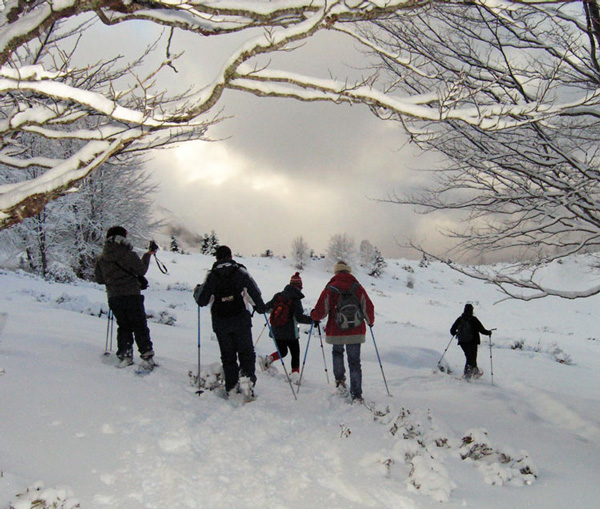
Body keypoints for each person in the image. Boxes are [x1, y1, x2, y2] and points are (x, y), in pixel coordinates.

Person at [193, 245, 266, 399]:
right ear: (231, 257)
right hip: (241, 321)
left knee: (228, 356)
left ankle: (231, 387)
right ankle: (247, 382)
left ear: (217, 258)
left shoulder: (212, 276)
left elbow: (201, 301)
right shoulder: (241, 272)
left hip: (221, 323)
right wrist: (260, 308)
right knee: (246, 353)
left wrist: (197, 291)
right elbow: (255, 295)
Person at [310, 261, 375, 403]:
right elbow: (367, 305)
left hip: (336, 330)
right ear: (348, 272)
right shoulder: (357, 287)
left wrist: (314, 316)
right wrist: (370, 321)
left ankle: (340, 382)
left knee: (337, 353)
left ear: (336, 272)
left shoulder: (331, 287)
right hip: (356, 330)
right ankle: (357, 394)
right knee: (355, 362)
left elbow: (322, 309)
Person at [95, 226, 156, 368]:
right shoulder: (128, 254)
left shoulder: (102, 258)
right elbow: (141, 270)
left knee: (123, 325)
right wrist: (148, 255)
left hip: (114, 297)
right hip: (132, 294)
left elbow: (99, 279)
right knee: (139, 324)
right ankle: (146, 354)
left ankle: (125, 354)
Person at [259, 272, 314, 380]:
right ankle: (295, 375)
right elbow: (299, 317)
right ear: (299, 287)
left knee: (282, 351)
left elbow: (267, 308)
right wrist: (313, 320)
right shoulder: (295, 300)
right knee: (295, 353)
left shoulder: (278, 295)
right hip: (290, 333)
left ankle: (268, 360)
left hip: (276, 331)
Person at [450, 303, 492, 379]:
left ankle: (473, 372)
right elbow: (482, 330)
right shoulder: (474, 319)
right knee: (472, 357)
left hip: (462, 341)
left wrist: (457, 333)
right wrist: (489, 332)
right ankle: (469, 374)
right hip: (473, 341)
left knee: (469, 357)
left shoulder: (460, 319)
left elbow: (452, 330)